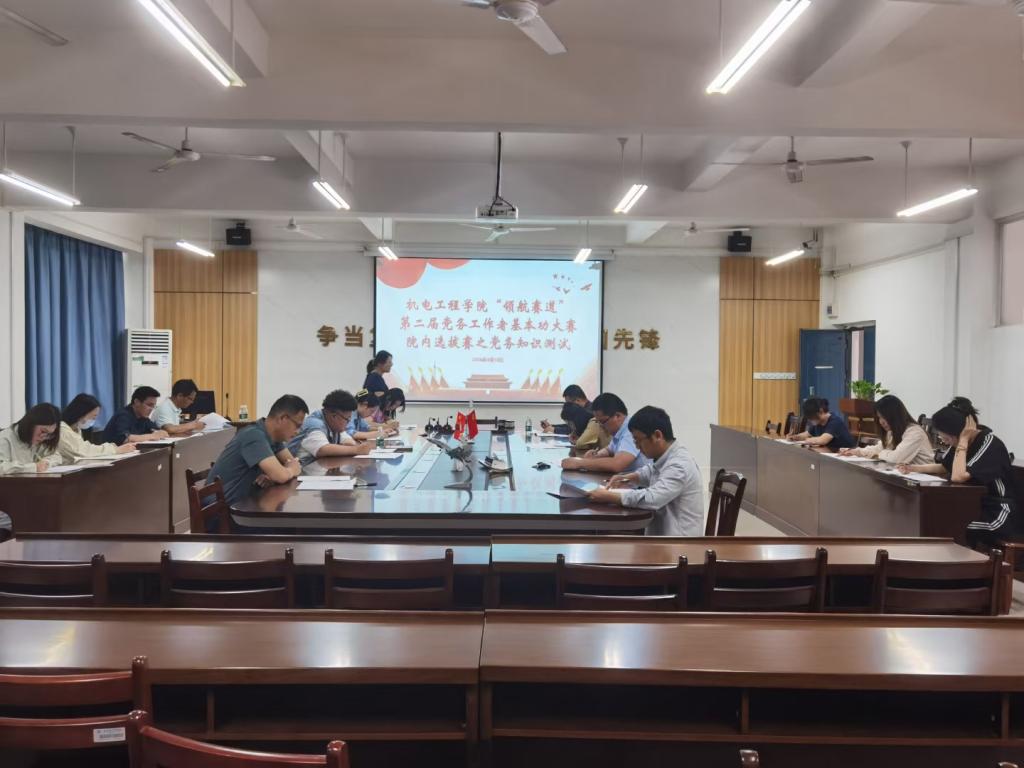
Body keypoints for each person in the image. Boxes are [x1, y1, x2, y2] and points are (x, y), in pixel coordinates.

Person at [898, 401, 1020, 547]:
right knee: (937, 519)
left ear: (958, 432)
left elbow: (958, 476)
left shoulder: (989, 443)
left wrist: (963, 441)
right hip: (974, 506)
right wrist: (914, 468)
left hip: (998, 512)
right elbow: (944, 467)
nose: (944, 441)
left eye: (946, 438)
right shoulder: (959, 442)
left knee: (953, 526)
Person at [588, 406, 704, 536]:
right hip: (663, 536)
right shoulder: (666, 455)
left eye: (638, 440)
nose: (637, 446)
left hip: (679, 542)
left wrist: (609, 496)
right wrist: (626, 478)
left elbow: (652, 499)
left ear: (657, 436)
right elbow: (650, 471)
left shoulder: (679, 465)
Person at [208, 394, 308, 504]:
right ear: (283, 419)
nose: (298, 432)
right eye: (297, 426)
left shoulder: (274, 438)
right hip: (220, 509)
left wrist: (274, 476)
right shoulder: (253, 435)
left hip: (243, 503)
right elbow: (283, 474)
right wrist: (289, 470)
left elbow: (292, 463)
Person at [560, 393, 651, 473]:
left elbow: (617, 464)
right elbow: (609, 449)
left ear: (617, 416)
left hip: (640, 484)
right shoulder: (619, 431)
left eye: (603, 421)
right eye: (598, 422)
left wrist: (580, 463)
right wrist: (596, 455)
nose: (600, 426)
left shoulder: (630, 431)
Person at [838, 394, 934, 466]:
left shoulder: (914, 432)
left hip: (925, 480)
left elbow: (896, 459)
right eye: (879, 417)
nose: (881, 422)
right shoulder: (892, 431)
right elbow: (879, 448)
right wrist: (856, 452)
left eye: (884, 417)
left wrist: (878, 454)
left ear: (895, 416)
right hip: (906, 476)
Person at [288, 389, 373, 465]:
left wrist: (354, 445)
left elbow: (346, 439)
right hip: (301, 472)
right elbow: (322, 449)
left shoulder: (334, 425)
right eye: (347, 419)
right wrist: (357, 450)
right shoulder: (315, 424)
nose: (348, 423)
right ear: (334, 416)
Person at [58, 393, 137, 461]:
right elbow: (83, 452)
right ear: (82, 413)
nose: (94, 420)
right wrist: (115, 450)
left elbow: (85, 449)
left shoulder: (76, 429)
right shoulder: (62, 430)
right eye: (93, 417)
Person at [0, 403, 63, 475]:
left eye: (49, 434)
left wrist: (46, 462)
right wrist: (33, 467)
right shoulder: (5, 439)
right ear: (30, 424)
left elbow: (57, 456)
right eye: (43, 431)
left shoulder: (38, 440)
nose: (43, 437)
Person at [101, 387, 169, 445]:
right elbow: (124, 438)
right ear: (137, 402)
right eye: (149, 405)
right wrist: (152, 436)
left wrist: (160, 433)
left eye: (153, 406)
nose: (151, 409)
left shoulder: (143, 417)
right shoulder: (123, 415)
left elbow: (157, 431)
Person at [787, 397, 856, 451]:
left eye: (811, 417)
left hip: (846, 454)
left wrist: (808, 440)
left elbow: (822, 440)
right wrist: (795, 437)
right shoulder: (817, 422)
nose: (811, 420)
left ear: (821, 411)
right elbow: (806, 434)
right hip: (831, 453)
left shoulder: (835, 422)